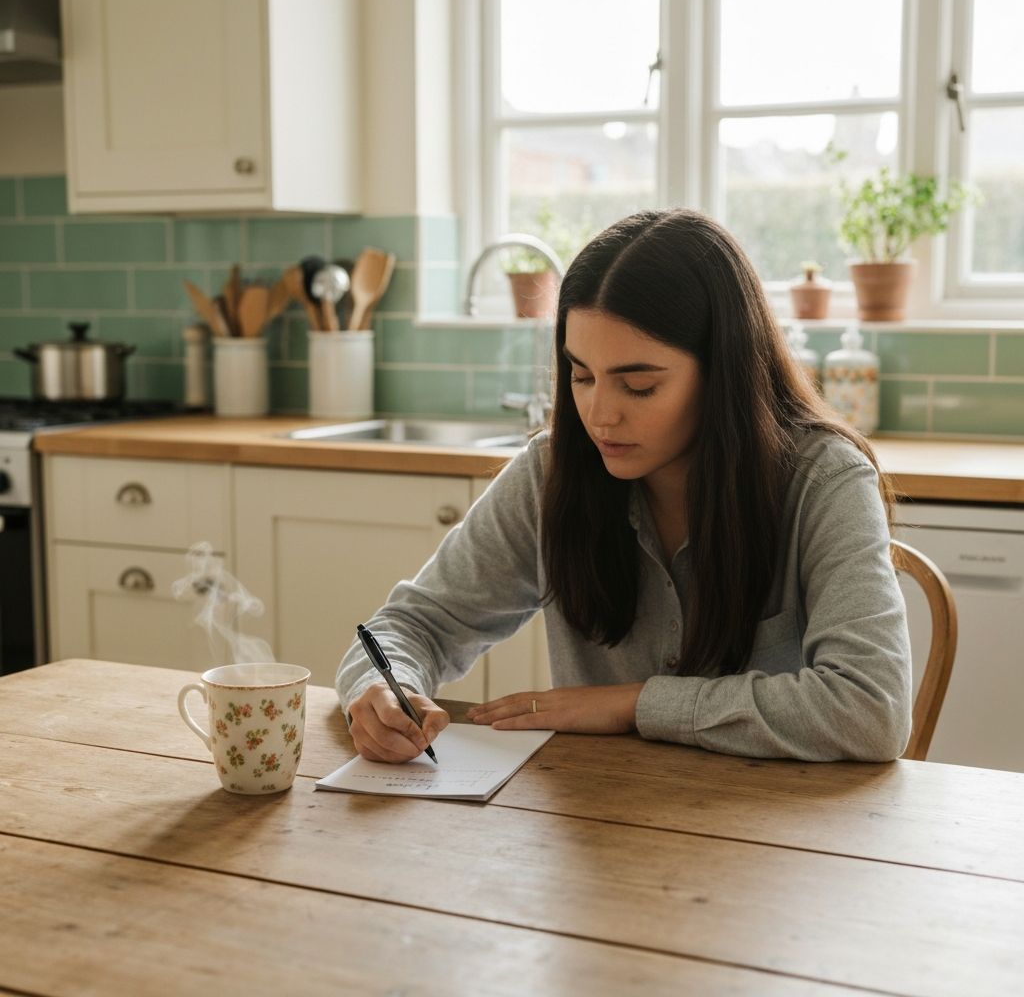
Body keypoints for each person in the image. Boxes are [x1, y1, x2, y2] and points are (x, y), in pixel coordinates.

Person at [336, 208, 911, 764]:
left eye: (638, 386)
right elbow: (411, 626)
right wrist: (383, 687)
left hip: (778, 823)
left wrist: (634, 704)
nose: (599, 416)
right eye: (581, 376)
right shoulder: (551, 472)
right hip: (594, 814)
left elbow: (871, 708)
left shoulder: (825, 482)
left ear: (724, 372)